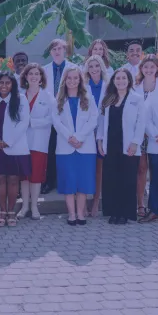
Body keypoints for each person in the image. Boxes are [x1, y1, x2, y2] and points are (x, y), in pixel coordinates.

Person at [98, 69, 145, 224]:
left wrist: (135, 142)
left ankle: (125, 214)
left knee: (127, 180)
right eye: (117, 78)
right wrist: (100, 141)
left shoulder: (137, 99)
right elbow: (101, 122)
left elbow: (141, 122)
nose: (120, 81)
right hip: (110, 145)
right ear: (113, 81)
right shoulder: (107, 99)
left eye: (124, 78)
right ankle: (114, 212)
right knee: (112, 180)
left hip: (128, 146)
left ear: (129, 80)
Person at [52, 67, 97, 226]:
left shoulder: (88, 98)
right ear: (65, 80)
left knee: (83, 181)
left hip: (85, 147)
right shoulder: (58, 99)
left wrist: (79, 137)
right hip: (65, 147)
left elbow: (93, 120)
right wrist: (70, 137)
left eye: (75, 78)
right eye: (69, 78)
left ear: (80, 80)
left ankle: (80, 214)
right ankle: (71, 214)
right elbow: (56, 122)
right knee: (68, 181)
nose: (72, 81)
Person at [0, 72, 31, 227]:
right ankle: (2, 211)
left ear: (12, 85)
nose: (4, 86)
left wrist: (9, 142)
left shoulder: (21, 99)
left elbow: (24, 122)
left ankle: (11, 211)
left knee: (13, 180)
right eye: (1, 83)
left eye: (7, 83)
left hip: (15, 147)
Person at [42, 39, 78, 194]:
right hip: (49, 117)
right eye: (54, 49)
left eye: (60, 48)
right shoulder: (43, 70)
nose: (57, 51)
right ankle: (49, 181)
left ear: (65, 51)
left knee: (68, 150)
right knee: (50, 151)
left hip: (68, 117)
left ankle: (68, 181)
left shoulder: (74, 69)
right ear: (50, 52)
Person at [18, 63, 53, 220]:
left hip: (39, 142)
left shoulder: (48, 96)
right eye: (30, 74)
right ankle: (24, 206)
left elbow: (52, 119)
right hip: (21, 142)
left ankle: (34, 207)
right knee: (24, 176)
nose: (33, 76)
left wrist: (31, 122)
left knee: (36, 175)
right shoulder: (19, 96)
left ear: (41, 78)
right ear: (25, 76)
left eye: (36, 74)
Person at [133, 54, 158, 218]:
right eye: (146, 67)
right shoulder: (135, 86)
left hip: (155, 138)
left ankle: (155, 208)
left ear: (157, 68)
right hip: (143, 135)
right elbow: (142, 116)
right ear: (141, 68)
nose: (149, 70)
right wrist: (155, 134)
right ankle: (142, 205)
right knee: (142, 170)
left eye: (152, 66)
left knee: (156, 174)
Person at [83, 55, 109, 217]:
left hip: (102, 133)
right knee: (87, 169)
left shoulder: (108, 86)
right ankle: (83, 202)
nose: (94, 69)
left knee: (99, 170)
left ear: (101, 68)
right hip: (86, 133)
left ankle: (96, 202)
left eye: (97, 66)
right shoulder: (83, 86)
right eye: (91, 67)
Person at [140, 93, 158, 222]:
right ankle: (154, 210)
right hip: (156, 142)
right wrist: (156, 135)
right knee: (156, 178)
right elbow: (145, 118)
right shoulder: (153, 95)